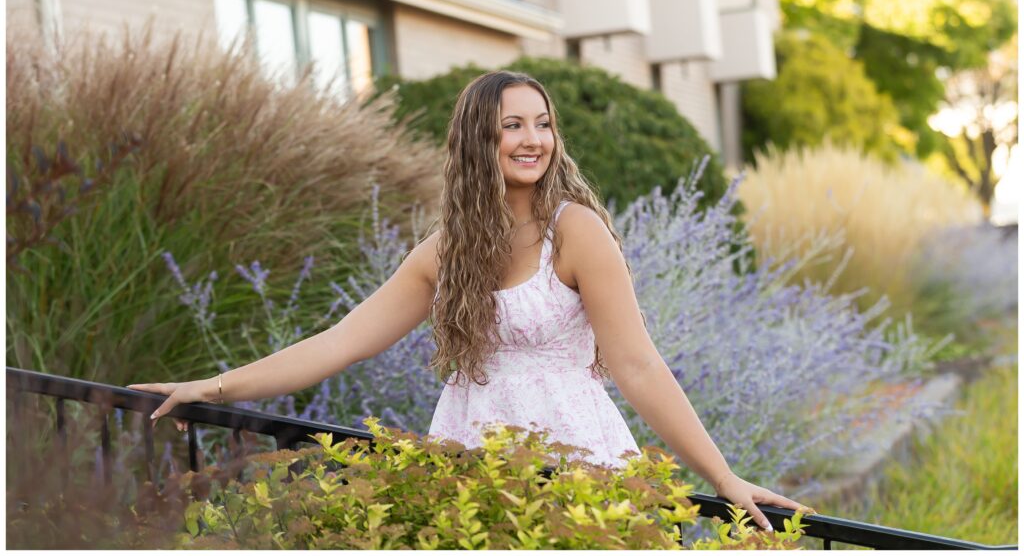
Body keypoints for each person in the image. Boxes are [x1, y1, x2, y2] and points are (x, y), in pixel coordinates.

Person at [129, 70, 815, 531]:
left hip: (573, 461)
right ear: (477, 139)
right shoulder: (445, 252)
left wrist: (723, 478)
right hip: (468, 464)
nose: (533, 140)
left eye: (542, 124)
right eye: (512, 126)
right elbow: (338, 343)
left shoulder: (575, 231)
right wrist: (210, 385)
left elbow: (637, 366)